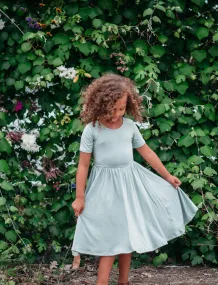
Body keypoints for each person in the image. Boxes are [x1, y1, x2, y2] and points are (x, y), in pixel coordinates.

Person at [71, 73, 198, 285]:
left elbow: (146, 152)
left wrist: (167, 176)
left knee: (127, 236)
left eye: (122, 108)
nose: (117, 113)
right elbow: (83, 165)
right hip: (105, 189)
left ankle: (123, 281)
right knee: (110, 240)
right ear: (100, 104)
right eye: (113, 109)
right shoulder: (92, 129)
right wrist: (80, 197)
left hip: (130, 186)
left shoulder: (129, 126)